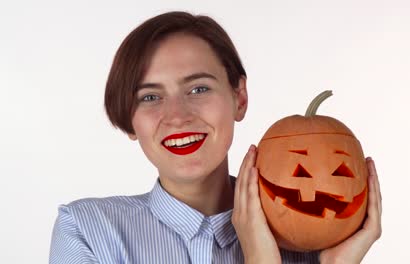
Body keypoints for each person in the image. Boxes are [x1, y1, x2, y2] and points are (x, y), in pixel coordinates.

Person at [49, 11, 382, 264]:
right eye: (150, 96)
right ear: (131, 119)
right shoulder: (88, 231)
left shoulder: (316, 236)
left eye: (198, 88)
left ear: (239, 97)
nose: (178, 116)